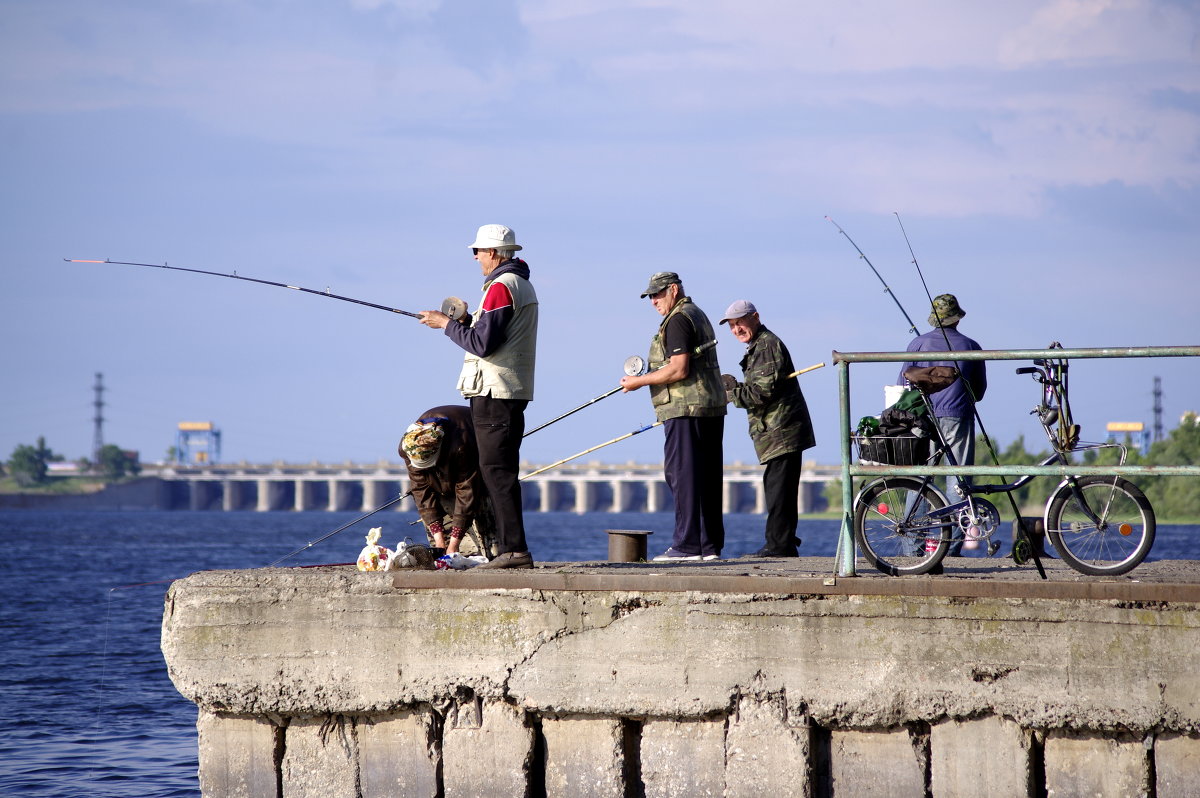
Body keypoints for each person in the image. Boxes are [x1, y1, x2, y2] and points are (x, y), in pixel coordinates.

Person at [417, 224, 537, 569]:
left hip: (494, 392)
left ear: (495, 253)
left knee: (495, 471)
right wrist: (468, 319)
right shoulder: (518, 284)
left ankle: (514, 552)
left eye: (479, 251)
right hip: (507, 390)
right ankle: (512, 550)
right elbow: (493, 334)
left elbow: (482, 345)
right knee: (500, 470)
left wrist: (445, 324)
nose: (475, 257)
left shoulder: (501, 287)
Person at [620, 272, 726, 561]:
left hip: (685, 409)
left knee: (682, 475)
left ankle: (687, 546)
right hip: (709, 407)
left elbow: (679, 369)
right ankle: (708, 546)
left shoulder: (678, 319)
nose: (654, 300)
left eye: (658, 294)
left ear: (674, 290)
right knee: (705, 477)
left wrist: (638, 382)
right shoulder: (697, 314)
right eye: (650, 296)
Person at [719, 300, 815, 558]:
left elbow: (760, 394)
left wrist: (730, 391)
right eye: (731, 325)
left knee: (779, 490)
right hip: (776, 432)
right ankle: (781, 542)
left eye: (740, 322)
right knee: (777, 488)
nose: (736, 329)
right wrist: (736, 387)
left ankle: (779, 546)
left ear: (755, 317)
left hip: (782, 431)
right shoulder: (758, 347)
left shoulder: (766, 346)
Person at [898, 293, 987, 556]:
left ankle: (911, 547)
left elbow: (903, 384)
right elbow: (979, 391)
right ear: (957, 318)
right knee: (958, 480)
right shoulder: (971, 346)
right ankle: (951, 548)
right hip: (958, 416)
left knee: (919, 479)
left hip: (922, 418)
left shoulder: (917, 343)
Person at [398, 405, 492, 557]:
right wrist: (439, 541)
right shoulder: (408, 447)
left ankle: (484, 552)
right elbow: (421, 490)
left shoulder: (461, 447)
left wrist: (454, 544)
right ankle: (446, 548)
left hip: (477, 444)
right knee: (440, 546)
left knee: (479, 497)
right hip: (448, 458)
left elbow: (467, 490)